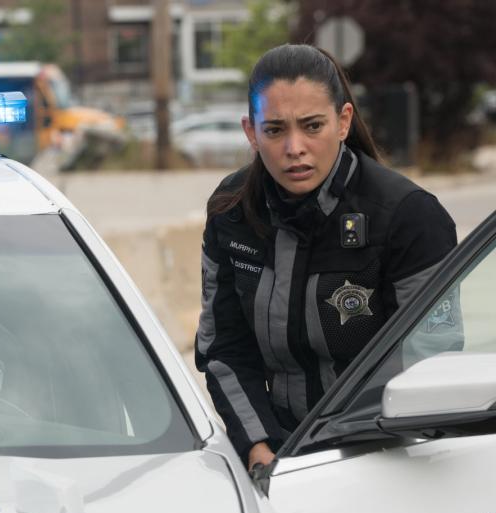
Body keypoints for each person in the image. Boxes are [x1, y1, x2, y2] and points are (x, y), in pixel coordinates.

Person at [194, 44, 458, 471]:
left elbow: (430, 360)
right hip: (276, 455)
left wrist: (350, 456)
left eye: (312, 126)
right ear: (251, 132)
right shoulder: (231, 209)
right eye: (274, 130)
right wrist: (259, 448)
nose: (294, 147)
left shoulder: (410, 216)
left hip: (387, 455)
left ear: (343, 121)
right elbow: (223, 347)